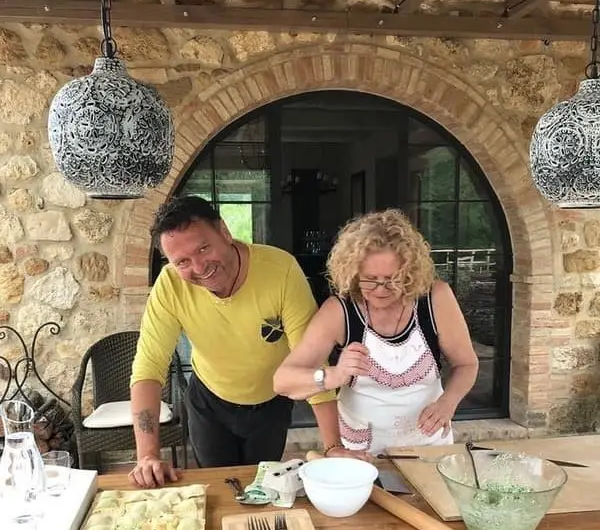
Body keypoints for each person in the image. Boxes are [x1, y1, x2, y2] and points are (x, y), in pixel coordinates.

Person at [128, 195, 338, 489]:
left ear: (225, 232)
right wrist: (147, 455)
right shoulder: (170, 286)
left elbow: (311, 360)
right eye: (183, 261)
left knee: (262, 488)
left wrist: (333, 448)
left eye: (204, 248)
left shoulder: (281, 270)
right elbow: (148, 368)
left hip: (271, 404)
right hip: (209, 402)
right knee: (220, 490)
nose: (199, 267)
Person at [273, 209, 479, 456]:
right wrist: (334, 375)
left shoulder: (436, 298)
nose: (381, 289)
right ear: (353, 272)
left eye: (393, 279)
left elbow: (467, 364)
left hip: (428, 446)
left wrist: (448, 402)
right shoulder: (339, 311)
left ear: (410, 272)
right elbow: (283, 381)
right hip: (361, 453)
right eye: (370, 279)